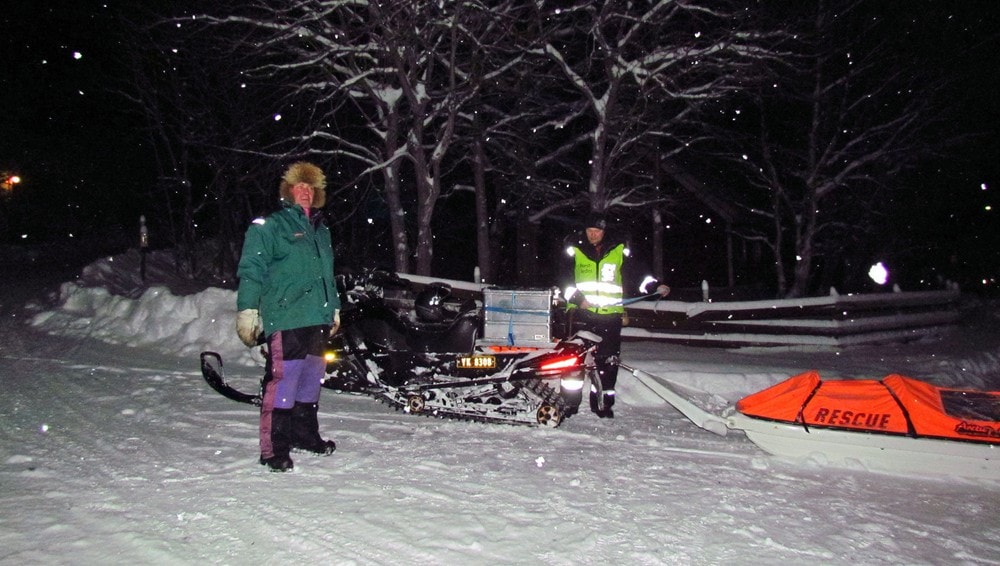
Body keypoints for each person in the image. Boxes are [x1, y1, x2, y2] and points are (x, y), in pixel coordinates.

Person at [235, 162, 341, 472]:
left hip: (317, 316)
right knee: (284, 380)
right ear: (288, 191)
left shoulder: (322, 231)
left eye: (310, 188)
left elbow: (327, 275)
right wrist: (248, 310)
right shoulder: (270, 226)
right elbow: (251, 270)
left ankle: (304, 435)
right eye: (299, 187)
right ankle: (274, 447)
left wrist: (333, 307)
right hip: (287, 315)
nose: (305, 192)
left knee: (311, 378)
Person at [562, 211, 670, 418]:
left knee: (608, 363)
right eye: (589, 231)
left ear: (605, 231)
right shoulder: (573, 249)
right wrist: (577, 299)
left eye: (597, 231)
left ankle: (603, 404)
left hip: (610, 317)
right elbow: (563, 280)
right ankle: (569, 403)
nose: (593, 235)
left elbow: (639, 275)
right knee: (572, 362)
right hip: (580, 316)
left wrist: (656, 286)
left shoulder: (619, 250)